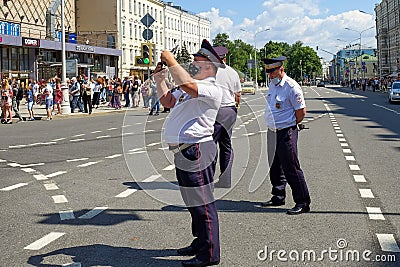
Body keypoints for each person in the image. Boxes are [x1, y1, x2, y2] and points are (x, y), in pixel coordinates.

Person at [154, 39, 223, 267]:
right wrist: (160, 79)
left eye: (197, 61)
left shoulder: (211, 88)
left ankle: (210, 253)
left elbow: (187, 86)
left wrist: (171, 60)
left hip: (197, 151)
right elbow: (168, 101)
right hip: (184, 152)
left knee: (203, 203)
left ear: (210, 66)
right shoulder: (191, 86)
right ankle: (200, 241)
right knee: (193, 203)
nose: (192, 63)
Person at [261, 56, 311, 215]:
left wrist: (290, 124)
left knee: (291, 167)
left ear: (281, 69)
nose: (270, 74)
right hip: (273, 131)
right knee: (275, 165)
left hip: (286, 131)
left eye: (272, 71)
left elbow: (301, 112)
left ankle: (303, 202)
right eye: (267, 71)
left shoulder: (292, 87)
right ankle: (278, 194)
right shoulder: (272, 85)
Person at [212, 46, 242, 188]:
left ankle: (207, 180)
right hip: (229, 110)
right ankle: (226, 180)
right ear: (224, 58)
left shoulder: (209, 72)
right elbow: (238, 94)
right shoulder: (232, 72)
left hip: (214, 111)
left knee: (209, 146)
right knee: (226, 146)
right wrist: (235, 107)